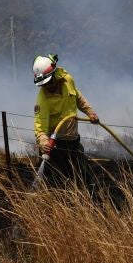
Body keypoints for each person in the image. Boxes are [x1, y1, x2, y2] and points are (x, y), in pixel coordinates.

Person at [32, 53, 99, 184]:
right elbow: (40, 124)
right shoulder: (42, 99)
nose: (47, 86)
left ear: (54, 74)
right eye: (43, 85)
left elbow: (78, 96)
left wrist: (90, 112)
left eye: (49, 82)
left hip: (73, 141)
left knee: (83, 178)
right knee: (56, 182)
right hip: (55, 147)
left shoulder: (68, 80)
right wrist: (43, 141)